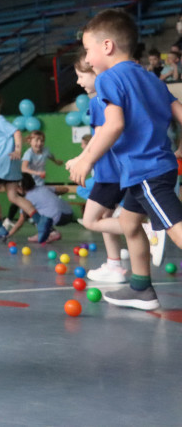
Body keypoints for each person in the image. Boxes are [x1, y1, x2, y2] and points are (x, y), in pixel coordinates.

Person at [67, 9, 182, 309]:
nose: (88, 59)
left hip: (146, 172)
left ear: (107, 46)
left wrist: (86, 159)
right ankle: (141, 288)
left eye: (89, 50)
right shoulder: (152, 79)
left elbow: (113, 125)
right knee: (130, 224)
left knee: (175, 226)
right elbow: (179, 112)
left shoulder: (108, 79)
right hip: (158, 168)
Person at [72, 55, 128, 283]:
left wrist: (82, 159)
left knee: (90, 220)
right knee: (106, 216)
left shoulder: (97, 102)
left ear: (97, 74)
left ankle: (145, 232)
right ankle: (114, 264)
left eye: (81, 76)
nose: (78, 82)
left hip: (108, 175)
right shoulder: (112, 100)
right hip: (120, 172)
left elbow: (98, 139)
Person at [0, 91, 36, 242]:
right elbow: (1, 145)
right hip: (10, 163)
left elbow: (16, 132)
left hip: (1, 164)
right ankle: (41, 220)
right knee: (13, 196)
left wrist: (18, 150)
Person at [6, 174, 73, 243]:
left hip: (58, 218)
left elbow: (20, 222)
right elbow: (65, 189)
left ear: (20, 188)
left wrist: (8, 234)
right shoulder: (43, 188)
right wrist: (51, 196)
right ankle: (50, 231)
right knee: (41, 209)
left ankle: (51, 233)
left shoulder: (26, 200)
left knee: (32, 216)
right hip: (69, 213)